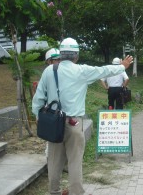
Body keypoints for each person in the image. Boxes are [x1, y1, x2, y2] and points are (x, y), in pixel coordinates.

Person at [32, 37, 133, 195]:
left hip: (52, 123)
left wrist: (38, 117)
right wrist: (122, 67)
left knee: (53, 161)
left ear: (61, 54)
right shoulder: (82, 71)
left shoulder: (48, 71)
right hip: (74, 123)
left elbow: (38, 99)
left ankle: (54, 191)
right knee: (75, 161)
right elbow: (104, 70)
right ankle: (76, 192)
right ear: (76, 56)